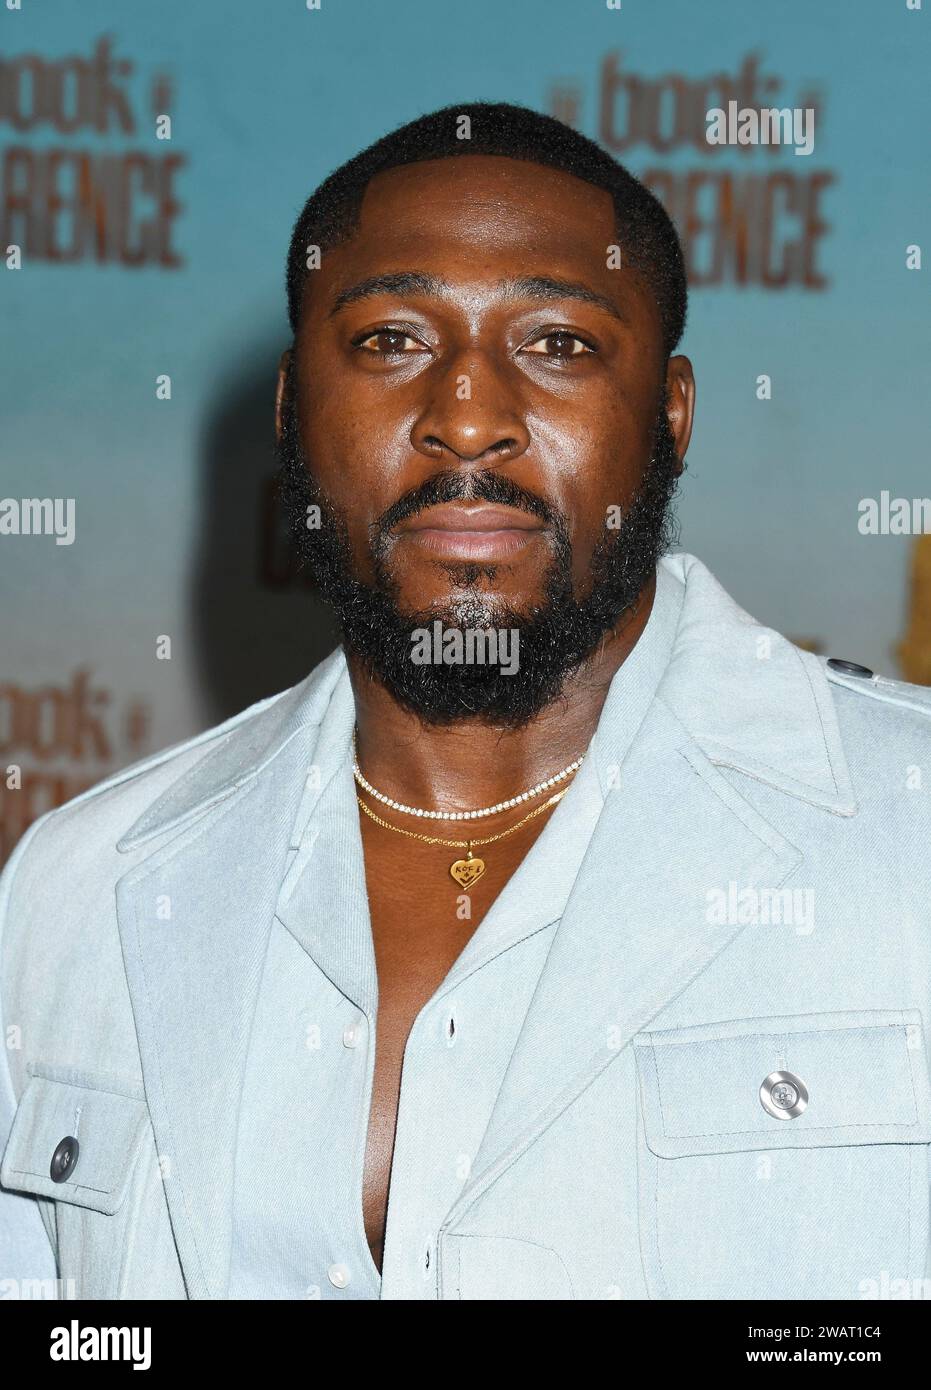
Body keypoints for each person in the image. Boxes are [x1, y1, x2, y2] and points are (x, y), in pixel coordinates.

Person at [2, 102, 930, 1302]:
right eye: (391, 338)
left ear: (672, 415)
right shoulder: (81, 890)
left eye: (557, 342)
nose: (469, 414)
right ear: (293, 413)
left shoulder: (905, 837)